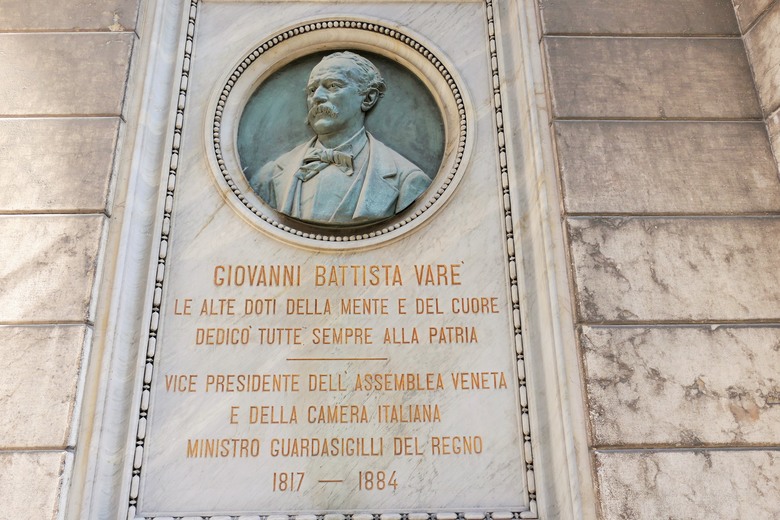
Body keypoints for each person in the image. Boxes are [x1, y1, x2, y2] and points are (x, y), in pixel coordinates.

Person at [249, 51, 431, 226]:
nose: (317, 97)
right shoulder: (270, 176)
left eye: (333, 86)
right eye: (312, 90)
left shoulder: (408, 180)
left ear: (368, 98)